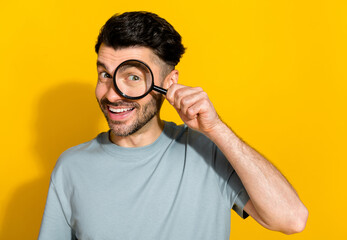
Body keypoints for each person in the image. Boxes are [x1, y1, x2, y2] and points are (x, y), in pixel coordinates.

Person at [38, 11, 308, 240]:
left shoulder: (208, 151)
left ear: (168, 83)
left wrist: (217, 130)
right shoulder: (70, 168)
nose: (111, 94)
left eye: (133, 76)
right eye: (105, 75)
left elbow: (292, 219)